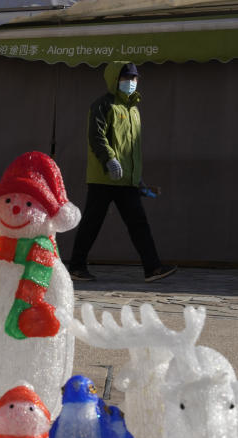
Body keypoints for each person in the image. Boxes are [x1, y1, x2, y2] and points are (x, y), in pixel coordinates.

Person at [68, 63, 177, 283]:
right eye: (126, 77)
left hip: (127, 180)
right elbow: (96, 136)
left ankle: (152, 268)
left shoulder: (134, 110)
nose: (131, 82)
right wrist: (109, 160)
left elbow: (132, 148)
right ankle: (77, 266)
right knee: (92, 222)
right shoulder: (103, 105)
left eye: (135, 78)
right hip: (104, 177)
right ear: (114, 79)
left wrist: (138, 178)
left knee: (138, 223)